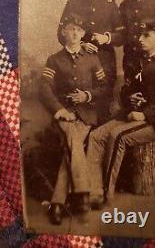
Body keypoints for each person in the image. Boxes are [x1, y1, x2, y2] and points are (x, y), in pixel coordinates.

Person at [87, 19, 155, 208]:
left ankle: (106, 195)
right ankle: (94, 189)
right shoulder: (139, 63)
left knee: (117, 137)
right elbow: (126, 90)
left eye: (146, 35)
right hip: (133, 115)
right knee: (96, 136)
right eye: (140, 35)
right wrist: (130, 97)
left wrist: (146, 114)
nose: (140, 39)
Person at [40, 13, 107, 225]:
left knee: (72, 144)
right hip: (65, 114)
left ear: (84, 33)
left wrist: (87, 96)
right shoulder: (54, 59)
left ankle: (58, 203)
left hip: (86, 115)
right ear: (63, 32)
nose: (76, 33)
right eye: (71, 29)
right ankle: (82, 194)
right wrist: (59, 109)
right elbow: (44, 89)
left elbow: (104, 87)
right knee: (74, 140)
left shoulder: (92, 58)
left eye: (79, 30)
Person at [58, 0, 124, 122]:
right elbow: (60, 33)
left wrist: (106, 38)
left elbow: (122, 35)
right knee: (79, 111)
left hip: (105, 63)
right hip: (79, 65)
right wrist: (79, 44)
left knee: (103, 110)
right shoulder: (73, 3)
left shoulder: (110, 4)